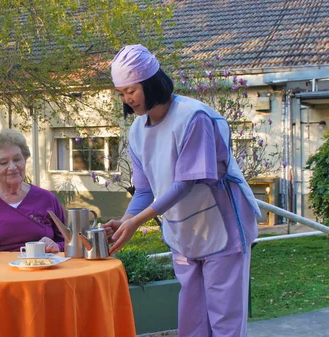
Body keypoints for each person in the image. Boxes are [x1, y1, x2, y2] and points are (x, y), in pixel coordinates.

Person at [102, 44, 261, 337]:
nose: (127, 99)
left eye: (132, 91)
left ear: (151, 83)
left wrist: (137, 222)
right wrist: (126, 221)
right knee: (193, 321)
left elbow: (186, 182)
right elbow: (145, 189)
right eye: (121, 93)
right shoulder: (137, 131)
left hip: (222, 228)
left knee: (224, 320)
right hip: (183, 234)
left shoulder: (193, 117)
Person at [0, 128, 66, 253]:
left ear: (25, 160)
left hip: (40, 268)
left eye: (17, 159)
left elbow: (68, 242)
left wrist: (56, 246)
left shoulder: (47, 198)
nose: (13, 167)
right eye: (3, 163)